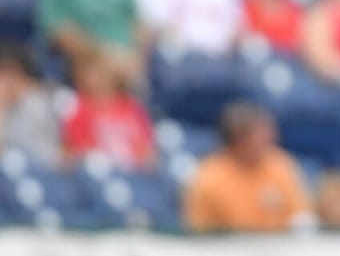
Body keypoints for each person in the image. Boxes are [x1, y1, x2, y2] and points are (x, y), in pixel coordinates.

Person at [184, 102, 314, 233]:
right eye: (260, 136)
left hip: (279, 247)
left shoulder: (280, 164)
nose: (271, 139)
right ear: (238, 140)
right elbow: (199, 232)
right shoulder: (209, 177)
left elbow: (300, 214)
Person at [60, 48, 156, 171]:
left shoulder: (132, 107)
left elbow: (147, 152)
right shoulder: (76, 108)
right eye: (88, 72)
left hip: (133, 174)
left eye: (99, 72)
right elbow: (73, 153)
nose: (95, 78)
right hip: (98, 174)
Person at [0, 47, 60, 164]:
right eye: (3, 73)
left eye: (12, 72)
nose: (8, 80)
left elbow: (52, 149)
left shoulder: (39, 99)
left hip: (44, 168)